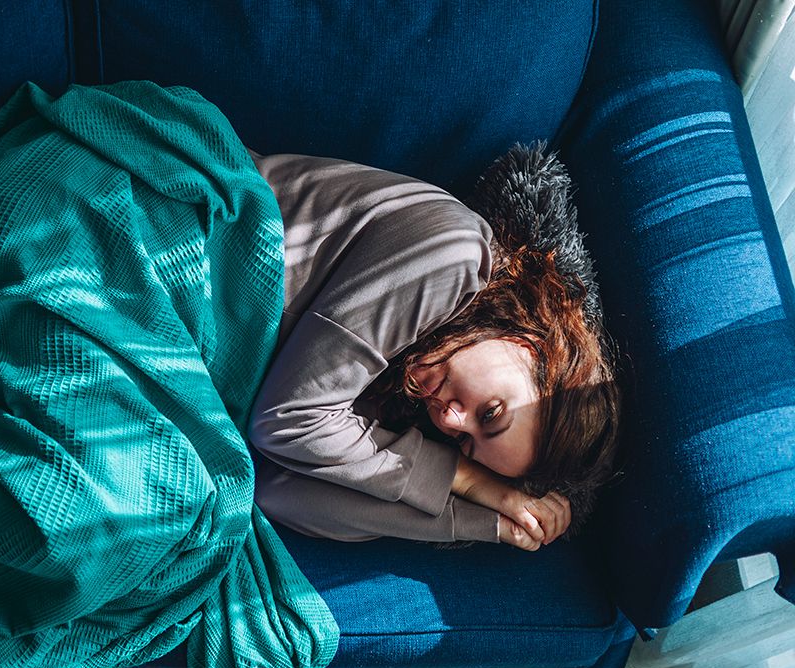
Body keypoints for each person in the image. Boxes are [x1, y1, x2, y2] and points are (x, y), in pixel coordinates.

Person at [245, 146, 624, 552]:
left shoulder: (396, 386)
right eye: (490, 412)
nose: (449, 419)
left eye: (465, 444)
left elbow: (279, 493)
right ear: (530, 346)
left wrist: (483, 520)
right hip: (195, 236)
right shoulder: (453, 256)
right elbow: (286, 421)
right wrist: (468, 478)